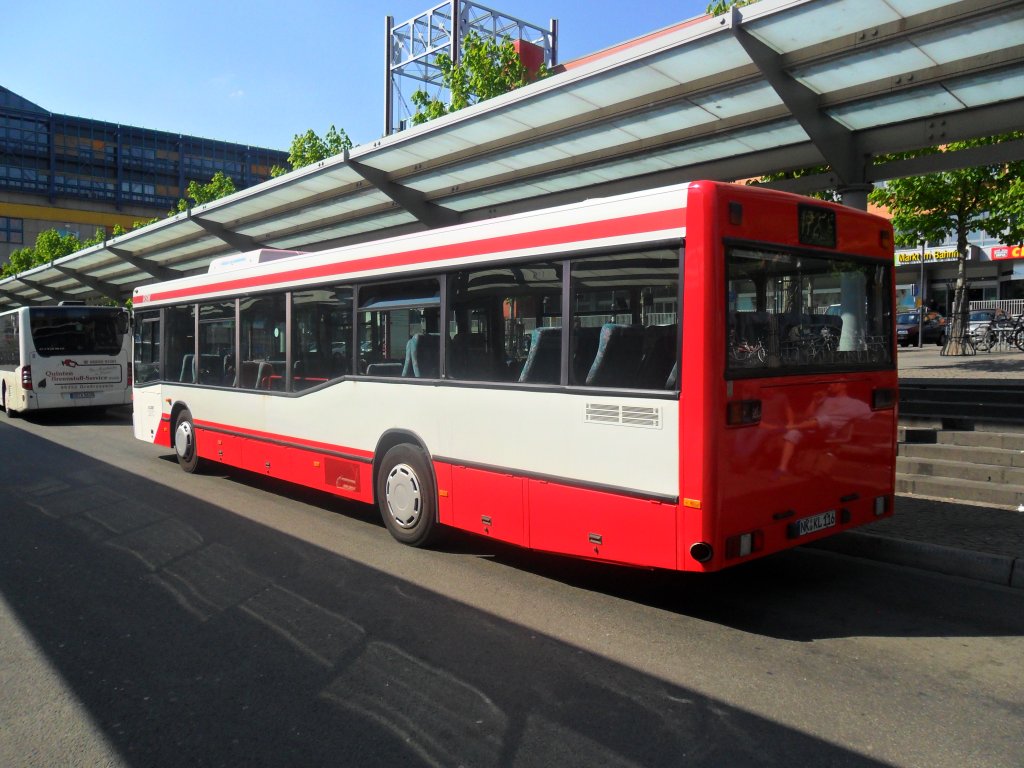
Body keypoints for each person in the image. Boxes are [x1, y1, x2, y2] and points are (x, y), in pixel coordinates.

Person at [776, 381, 871, 475]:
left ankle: (791, 426)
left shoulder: (855, 403)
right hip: (814, 428)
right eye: (830, 383)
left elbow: (875, 412)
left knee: (825, 419)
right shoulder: (825, 399)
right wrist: (814, 400)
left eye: (834, 383)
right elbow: (807, 416)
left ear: (843, 386)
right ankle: (782, 467)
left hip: (830, 431)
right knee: (793, 433)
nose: (830, 385)